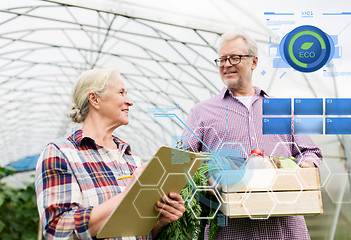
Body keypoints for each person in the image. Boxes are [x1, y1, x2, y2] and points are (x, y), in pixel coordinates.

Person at [182, 33, 323, 239]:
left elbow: (309, 151)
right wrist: (208, 180)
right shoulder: (201, 112)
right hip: (231, 231)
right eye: (222, 59)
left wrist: (304, 167)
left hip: (285, 230)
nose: (226, 64)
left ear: (254, 62)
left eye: (235, 58)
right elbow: (185, 161)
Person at [35, 69, 185, 240]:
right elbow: (59, 230)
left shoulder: (131, 158)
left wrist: (160, 221)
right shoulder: (60, 153)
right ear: (95, 99)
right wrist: (128, 195)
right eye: (121, 93)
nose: (130, 102)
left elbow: (136, 232)